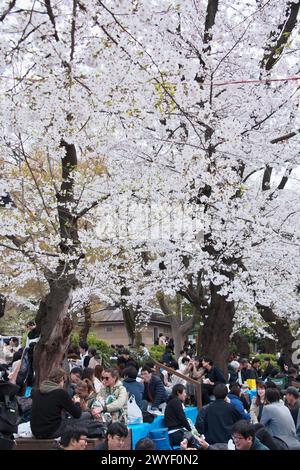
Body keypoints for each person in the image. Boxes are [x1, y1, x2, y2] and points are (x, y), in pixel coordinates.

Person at [30, 367, 82, 439]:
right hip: (51, 431)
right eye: (64, 381)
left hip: (36, 431)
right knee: (81, 421)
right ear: (61, 379)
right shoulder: (60, 393)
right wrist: (77, 402)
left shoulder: (37, 391)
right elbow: (77, 414)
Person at [164, 384, 194, 448]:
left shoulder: (173, 401)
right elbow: (182, 418)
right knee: (194, 438)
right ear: (178, 393)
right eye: (184, 392)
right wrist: (191, 430)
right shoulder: (176, 401)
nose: (185, 394)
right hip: (175, 434)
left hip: (174, 433)